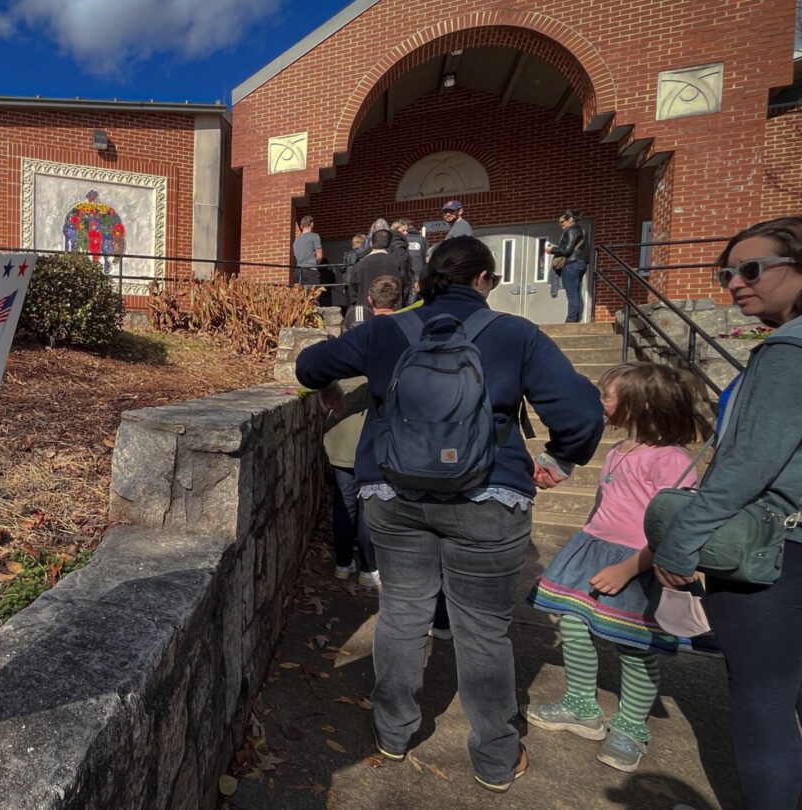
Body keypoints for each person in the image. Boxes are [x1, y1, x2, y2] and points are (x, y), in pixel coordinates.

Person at [296, 236, 603, 793]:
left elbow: (310, 362)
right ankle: (494, 757)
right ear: (484, 280)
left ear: (425, 280)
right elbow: (582, 411)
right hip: (489, 498)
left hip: (393, 494)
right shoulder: (517, 335)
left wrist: (329, 388)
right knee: (484, 630)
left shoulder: (388, 330)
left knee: (402, 612)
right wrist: (560, 460)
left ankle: (392, 731)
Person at [651, 216, 802, 809]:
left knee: (763, 699)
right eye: (727, 273)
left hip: (777, 548)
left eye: (752, 269)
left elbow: (747, 464)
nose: (735, 284)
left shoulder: (789, 352)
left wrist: (680, 540)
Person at [525, 363, 704, 773]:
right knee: (571, 623)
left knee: (636, 646)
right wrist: (571, 564)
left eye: (608, 396)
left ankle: (631, 727)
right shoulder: (620, 450)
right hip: (595, 549)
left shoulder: (672, 460)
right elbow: (604, 505)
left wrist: (629, 568)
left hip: (640, 562)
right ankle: (581, 706)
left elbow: (676, 527)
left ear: (640, 404)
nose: (600, 403)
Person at [324, 275, 405, 590]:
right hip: (374, 442)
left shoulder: (336, 353)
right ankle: (369, 569)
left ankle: (343, 563)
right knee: (370, 504)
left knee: (344, 503)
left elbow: (314, 375)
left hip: (341, 441)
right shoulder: (387, 349)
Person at [345, 230, 405, 328]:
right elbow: (404, 285)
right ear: (389, 244)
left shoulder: (359, 265)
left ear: (371, 243)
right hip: (393, 314)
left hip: (366, 315)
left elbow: (352, 293)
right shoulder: (397, 262)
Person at [545, 210, 589, 323]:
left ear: (570, 219)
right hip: (580, 263)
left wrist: (552, 250)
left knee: (572, 293)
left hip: (572, 264)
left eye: (563, 221)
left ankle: (571, 320)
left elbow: (566, 249)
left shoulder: (572, 230)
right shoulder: (581, 230)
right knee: (576, 292)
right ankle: (576, 318)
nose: (561, 225)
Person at [394, 219, 426, 305]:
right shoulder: (421, 240)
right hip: (411, 279)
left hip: (406, 280)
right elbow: (425, 259)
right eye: (403, 230)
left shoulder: (401, 243)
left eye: (406, 230)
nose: (406, 233)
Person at [292, 215, 324, 289]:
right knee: (314, 296)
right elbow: (319, 256)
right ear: (312, 224)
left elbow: (295, 257)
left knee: (302, 298)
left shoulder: (296, 240)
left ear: (301, 226)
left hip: (298, 272)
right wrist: (315, 264)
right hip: (310, 271)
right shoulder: (314, 236)